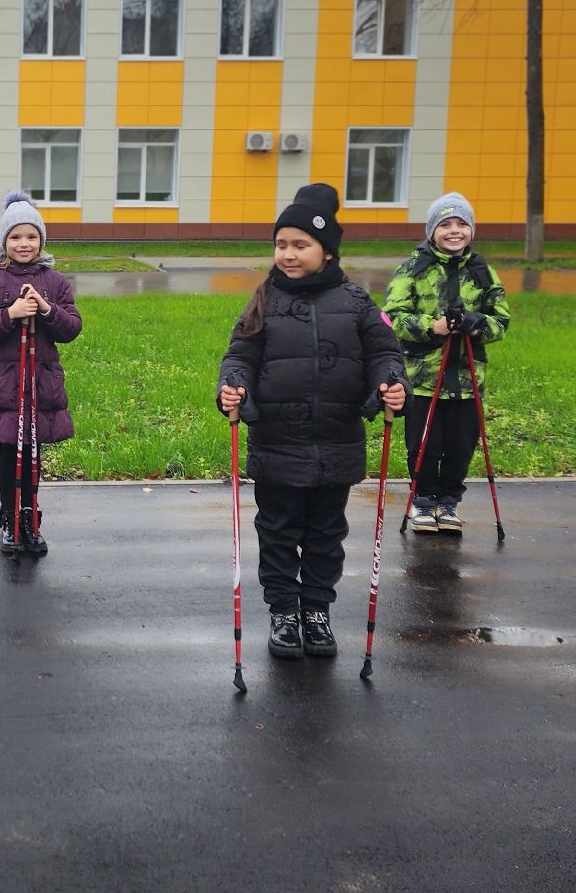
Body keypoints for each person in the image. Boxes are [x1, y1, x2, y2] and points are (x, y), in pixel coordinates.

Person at [217, 184, 406, 659]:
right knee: (277, 533)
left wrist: (391, 382)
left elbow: (384, 354)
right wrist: (233, 385)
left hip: (336, 443)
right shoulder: (264, 300)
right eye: (281, 244)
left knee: (326, 535)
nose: (288, 254)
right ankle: (284, 611)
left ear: (328, 251)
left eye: (300, 244)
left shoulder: (358, 302)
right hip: (277, 443)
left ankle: (316, 611)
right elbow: (240, 355)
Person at [381, 191, 510, 535]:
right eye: (445, 225)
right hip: (423, 379)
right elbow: (391, 318)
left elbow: (501, 322)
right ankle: (424, 501)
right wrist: (433, 327)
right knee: (424, 445)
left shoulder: (482, 271)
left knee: (460, 446)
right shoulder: (413, 268)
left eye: (461, 224)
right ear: (432, 231)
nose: (454, 231)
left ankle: (448, 502)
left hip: (467, 381)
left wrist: (477, 324)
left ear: (471, 230)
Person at [0, 191, 83, 557]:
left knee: (33, 452)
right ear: (4, 241)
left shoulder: (55, 282)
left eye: (31, 236)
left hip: (41, 380)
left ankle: (30, 519)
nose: (24, 244)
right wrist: (10, 314)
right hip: (6, 383)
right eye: (15, 236)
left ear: (41, 240)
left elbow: (71, 328)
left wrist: (47, 309)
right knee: (9, 450)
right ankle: (10, 518)